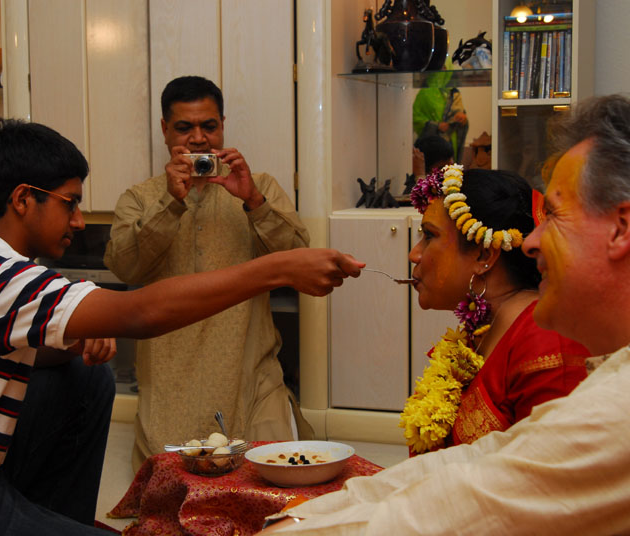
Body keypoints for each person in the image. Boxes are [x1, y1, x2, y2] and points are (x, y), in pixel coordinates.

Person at [0, 118, 364, 536]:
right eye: (69, 202)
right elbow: (140, 312)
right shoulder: (2, 281)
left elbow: (15, 348)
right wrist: (277, 269)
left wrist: (71, 336)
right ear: (22, 199)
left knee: (85, 375)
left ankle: (58, 520)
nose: (79, 220)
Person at [259, 94, 630, 535]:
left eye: (553, 215)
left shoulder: (595, 391)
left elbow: (472, 506)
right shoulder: (607, 375)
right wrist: (314, 514)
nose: (532, 241)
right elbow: (475, 465)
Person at [104, 76, 311, 470]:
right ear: (165, 130)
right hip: (169, 384)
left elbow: (300, 259)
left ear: (223, 125)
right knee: (169, 492)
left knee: (273, 483)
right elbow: (124, 265)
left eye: (209, 126)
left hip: (251, 376)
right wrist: (170, 202)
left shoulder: (258, 187)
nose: (199, 138)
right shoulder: (140, 198)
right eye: (185, 127)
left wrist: (253, 201)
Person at [402, 165, 588, 455]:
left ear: (484, 255)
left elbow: (547, 473)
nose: (414, 254)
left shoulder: (546, 341)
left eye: (428, 235)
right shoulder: (480, 330)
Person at [413, 70, 468, 163]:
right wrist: (437, 126)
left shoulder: (453, 93)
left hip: (451, 144)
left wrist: (463, 119)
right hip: (432, 148)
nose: (445, 70)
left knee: (449, 169)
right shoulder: (424, 93)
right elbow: (415, 118)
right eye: (443, 67)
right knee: (434, 169)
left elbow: (461, 116)